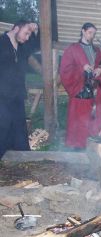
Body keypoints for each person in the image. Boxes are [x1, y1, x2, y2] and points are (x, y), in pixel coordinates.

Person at [60, 22, 101, 149]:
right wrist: (81, 68)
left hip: (93, 91)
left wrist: (100, 71)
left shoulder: (97, 51)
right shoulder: (73, 49)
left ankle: (91, 146)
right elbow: (65, 69)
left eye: (94, 33)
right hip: (79, 90)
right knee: (78, 121)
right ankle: (76, 146)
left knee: (92, 120)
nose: (92, 36)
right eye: (90, 32)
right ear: (82, 31)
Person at [0, 20, 39, 159]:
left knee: (19, 131)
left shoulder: (22, 47)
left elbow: (35, 45)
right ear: (16, 29)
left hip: (17, 96)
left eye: (29, 35)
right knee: (3, 128)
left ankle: (21, 160)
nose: (27, 37)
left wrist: (34, 30)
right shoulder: (1, 43)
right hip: (2, 97)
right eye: (26, 33)